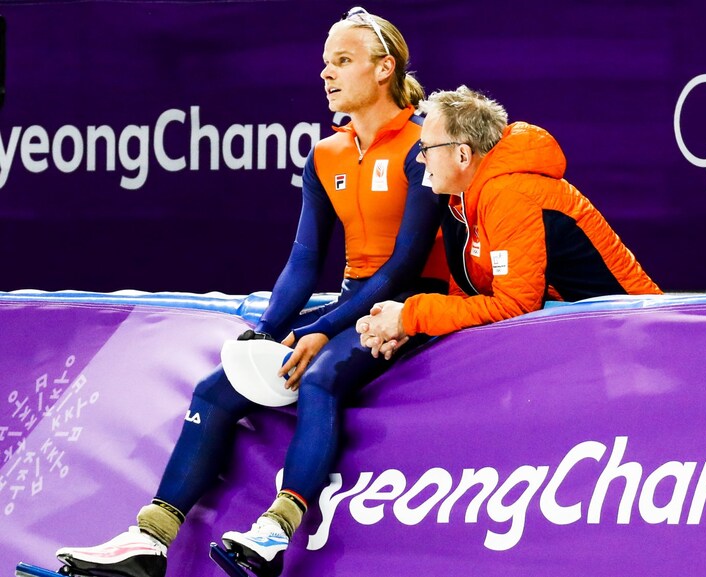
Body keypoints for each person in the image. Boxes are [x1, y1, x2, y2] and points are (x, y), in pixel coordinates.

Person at [55, 7, 447, 577]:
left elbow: (404, 268)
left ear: (384, 68)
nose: (326, 73)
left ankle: (273, 534)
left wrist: (320, 330)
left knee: (318, 378)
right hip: (352, 299)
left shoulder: (422, 144)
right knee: (216, 390)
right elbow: (305, 261)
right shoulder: (326, 153)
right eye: (324, 63)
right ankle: (148, 542)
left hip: (410, 301)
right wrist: (265, 332)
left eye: (342, 61)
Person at [358, 86, 661, 358]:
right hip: (586, 336)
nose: (421, 160)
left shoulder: (510, 194)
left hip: (638, 338)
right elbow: (468, 295)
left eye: (426, 149)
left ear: (463, 155)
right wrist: (409, 331)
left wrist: (409, 316)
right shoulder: (459, 198)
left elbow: (514, 308)